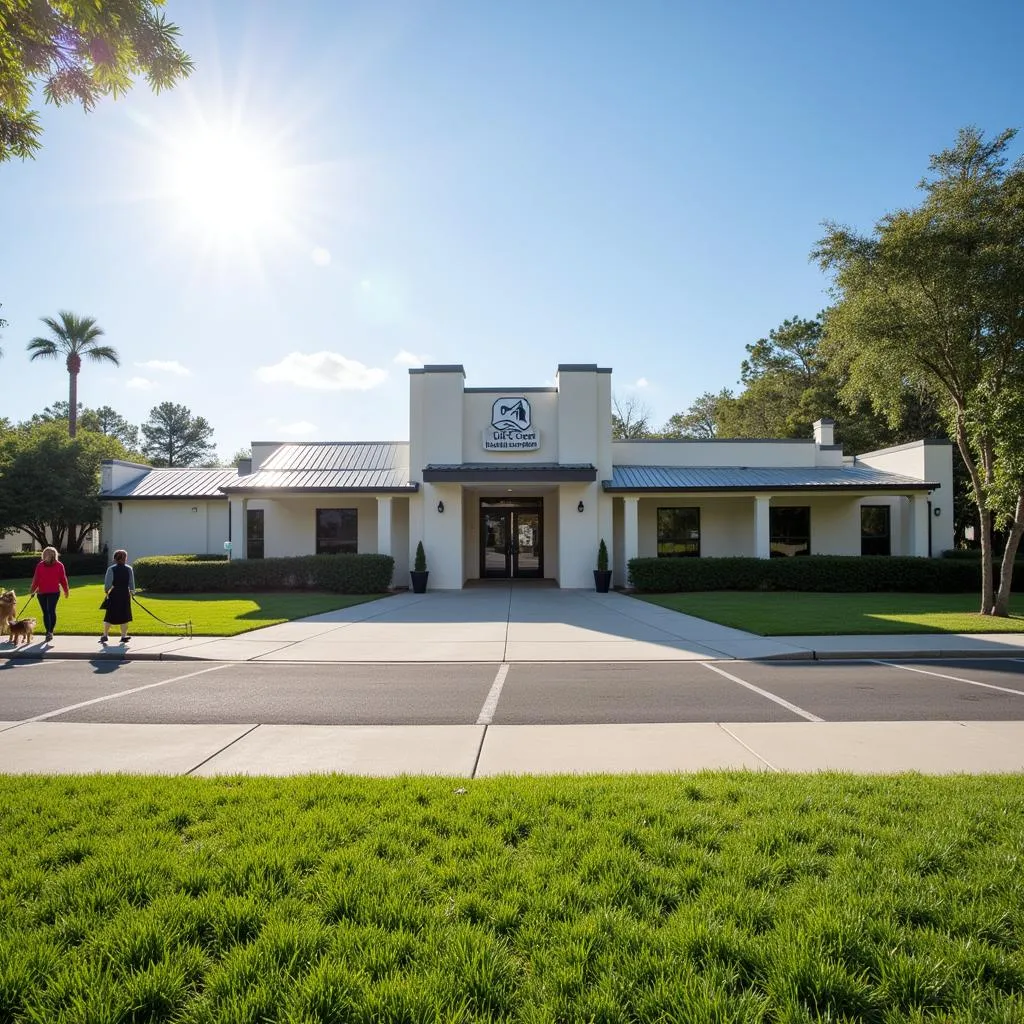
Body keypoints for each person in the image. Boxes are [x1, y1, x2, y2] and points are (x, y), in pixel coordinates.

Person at [29, 547, 70, 642]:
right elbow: (36, 579)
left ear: (53, 555)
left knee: (51, 610)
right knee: (45, 612)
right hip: (41, 592)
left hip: (54, 592)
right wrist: (32, 590)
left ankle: (50, 631)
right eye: (45, 554)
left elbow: (63, 579)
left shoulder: (59, 565)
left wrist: (66, 590)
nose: (46, 556)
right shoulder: (40, 565)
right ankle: (48, 631)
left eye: (48, 554)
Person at [100, 549, 136, 644]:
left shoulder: (111, 569)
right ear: (125, 558)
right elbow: (131, 584)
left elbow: (107, 585)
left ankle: (105, 635)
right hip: (125, 594)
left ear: (115, 558)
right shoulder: (129, 569)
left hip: (114, 594)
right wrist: (132, 592)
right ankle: (123, 636)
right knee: (125, 615)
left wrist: (107, 591)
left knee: (109, 615)